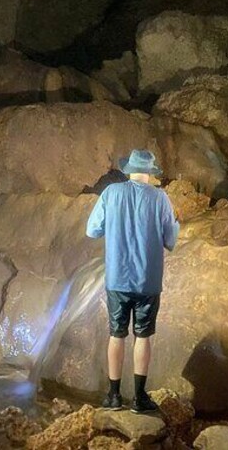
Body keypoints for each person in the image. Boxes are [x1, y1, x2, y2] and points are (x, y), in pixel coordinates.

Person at [86, 149, 179, 414]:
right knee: (143, 336)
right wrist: (176, 225)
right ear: (150, 173)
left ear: (129, 170)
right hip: (147, 281)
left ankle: (113, 396)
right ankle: (139, 399)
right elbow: (170, 240)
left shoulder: (111, 193)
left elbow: (92, 230)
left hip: (117, 278)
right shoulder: (160, 198)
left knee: (116, 334)